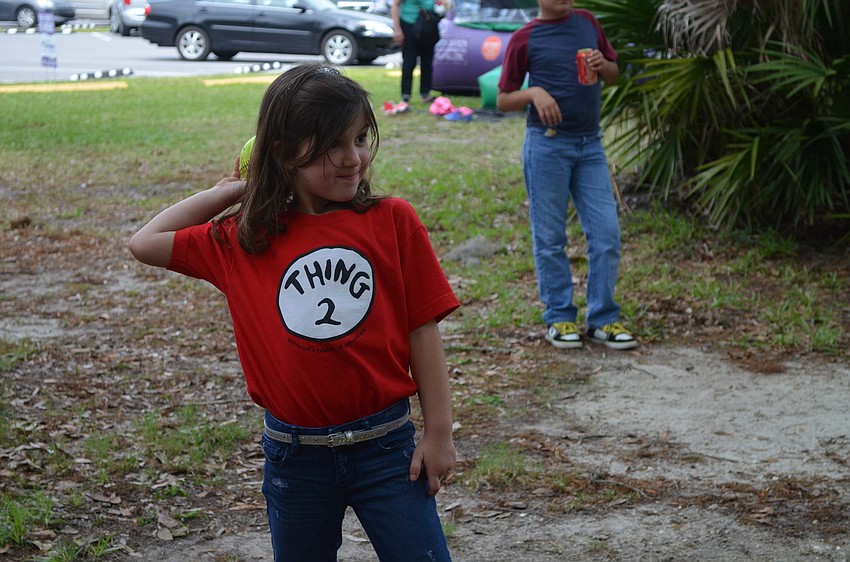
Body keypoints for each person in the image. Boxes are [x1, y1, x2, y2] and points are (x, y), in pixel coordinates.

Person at [129, 63, 458, 561]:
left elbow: (422, 329)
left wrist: (438, 433)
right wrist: (228, 193)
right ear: (282, 152)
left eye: (361, 138)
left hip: (387, 450)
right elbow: (145, 242)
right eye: (333, 145)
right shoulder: (245, 239)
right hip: (294, 457)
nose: (354, 158)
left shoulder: (393, 221)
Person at [496, 0, 637, 350]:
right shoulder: (524, 38)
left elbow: (615, 75)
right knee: (550, 236)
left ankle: (603, 318)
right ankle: (559, 315)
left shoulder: (588, 23)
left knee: (606, 233)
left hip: (590, 145)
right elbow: (502, 99)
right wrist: (533, 93)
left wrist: (605, 66)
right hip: (547, 145)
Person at [391, 0, 440, 105]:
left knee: (427, 61)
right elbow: (395, 5)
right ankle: (405, 96)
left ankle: (425, 93)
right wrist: (397, 29)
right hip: (409, 25)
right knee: (409, 62)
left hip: (428, 25)